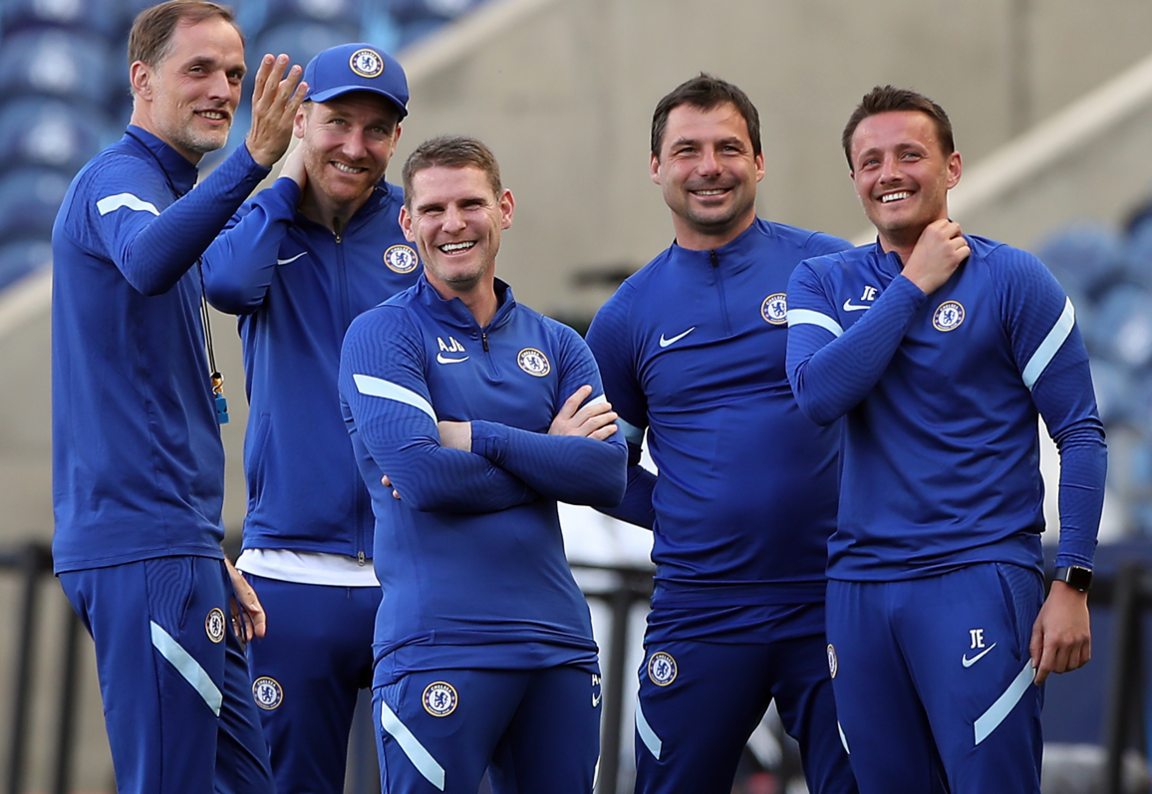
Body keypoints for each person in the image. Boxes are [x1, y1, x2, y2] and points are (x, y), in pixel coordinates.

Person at [785, 85, 1107, 794]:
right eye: (871, 161)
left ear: (952, 167)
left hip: (979, 578)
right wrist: (913, 285)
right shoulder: (822, 280)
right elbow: (818, 395)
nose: (889, 173)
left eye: (910, 155)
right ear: (853, 178)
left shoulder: (1014, 278)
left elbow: (1081, 433)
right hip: (860, 590)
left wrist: (1074, 580)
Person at [50, 2, 306, 793]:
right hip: (144, 545)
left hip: (177, 545)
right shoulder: (120, 181)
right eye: (198, 69)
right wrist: (255, 161)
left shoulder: (170, 193)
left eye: (234, 73)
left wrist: (199, 544)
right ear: (141, 80)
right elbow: (148, 261)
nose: (223, 89)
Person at [583, 74, 858, 794]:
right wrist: (677, 514)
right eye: (687, 150)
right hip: (701, 606)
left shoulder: (830, 270)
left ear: (760, 162)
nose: (710, 166)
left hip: (835, 593)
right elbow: (603, 467)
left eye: (729, 147)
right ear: (657, 166)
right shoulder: (625, 317)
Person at [338, 135, 627, 794]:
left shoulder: (558, 342)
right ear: (407, 223)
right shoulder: (382, 335)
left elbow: (605, 475)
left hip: (560, 646)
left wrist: (482, 436)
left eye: (471, 203)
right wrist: (549, 448)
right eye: (433, 209)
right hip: (439, 644)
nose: (453, 223)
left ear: (504, 208)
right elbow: (423, 477)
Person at [201, 42, 417, 794]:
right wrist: (285, 175)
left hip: (414, 570)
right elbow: (225, 283)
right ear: (301, 121)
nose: (356, 147)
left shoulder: (418, 226)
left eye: (377, 129)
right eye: (337, 123)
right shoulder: (262, 219)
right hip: (289, 577)